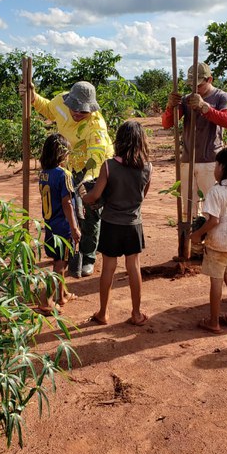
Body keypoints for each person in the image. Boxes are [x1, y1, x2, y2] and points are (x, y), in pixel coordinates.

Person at [21, 81, 114, 277]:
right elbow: (47, 109)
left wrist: (86, 184)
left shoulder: (96, 126)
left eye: (83, 111)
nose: (78, 113)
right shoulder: (60, 102)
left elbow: (96, 159)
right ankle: (68, 250)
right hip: (68, 165)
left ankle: (88, 256)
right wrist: (32, 96)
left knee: (89, 211)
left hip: (91, 167)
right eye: (75, 108)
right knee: (66, 210)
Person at [83, 121, 152, 326]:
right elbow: (142, 196)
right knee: (134, 266)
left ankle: (103, 313)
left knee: (108, 268)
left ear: (119, 140)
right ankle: (136, 313)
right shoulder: (147, 167)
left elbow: (95, 195)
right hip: (133, 224)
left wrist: (82, 197)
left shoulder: (109, 166)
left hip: (111, 223)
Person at [161, 63, 227, 257]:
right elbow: (167, 123)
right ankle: (194, 248)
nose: (195, 89)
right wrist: (171, 106)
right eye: (192, 85)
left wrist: (204, 107)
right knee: (189, 207)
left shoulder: (221, 97)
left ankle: (213, 247)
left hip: (211, 162)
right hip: (188, 160)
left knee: (212, 208)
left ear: (209, 80)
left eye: (199, 85)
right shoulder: (186, 100)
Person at [190, 146, 227, 333]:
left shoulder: (216, 191)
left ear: (222, 167)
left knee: (216, 282)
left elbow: (213, 220)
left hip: (218, 244)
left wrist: (197, 234)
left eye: (216, 165)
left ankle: (214, 321)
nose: (215, 169)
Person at [37, 133, 81, 312]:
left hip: (50, 224)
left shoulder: (43, 174)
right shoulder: (64, 175)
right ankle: (46, 300)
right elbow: (67, 203)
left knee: (59, 260)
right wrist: (74, 227)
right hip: (63, 227)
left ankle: (62, 296)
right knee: (60, 264)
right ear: (62, 154)